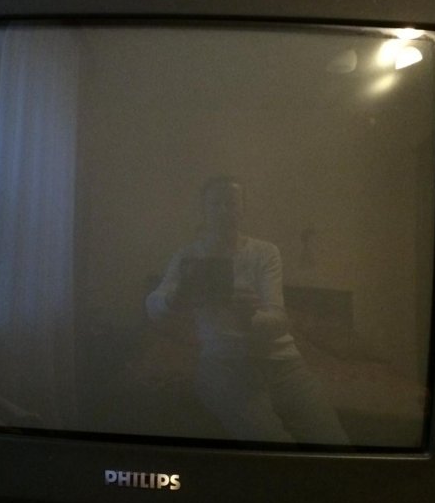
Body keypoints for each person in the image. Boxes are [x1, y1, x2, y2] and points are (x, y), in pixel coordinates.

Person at [146, 176, 347, 445]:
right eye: (215, 203)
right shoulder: (188, 257)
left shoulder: (265, 252)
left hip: (284, 363)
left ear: (242, 209)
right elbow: (153, 306)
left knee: (333, 442)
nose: (223, 210)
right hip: (224, 363)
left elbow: (279, 321)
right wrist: (175, 298)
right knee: (270, 442)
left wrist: (250, 316)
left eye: (231, 203)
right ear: (204, 210)